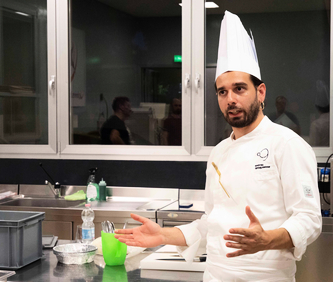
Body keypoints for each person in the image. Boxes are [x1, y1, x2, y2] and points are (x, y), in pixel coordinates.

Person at [115, 11, 321, 281]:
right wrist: (163, 235)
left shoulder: (287, 144)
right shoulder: (219, 152)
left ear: (260, 93)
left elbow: (308, 219)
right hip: (215, 275)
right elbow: (210, 223)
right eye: (222, 92)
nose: (230, 99)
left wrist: (267, 239)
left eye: (239, 88)